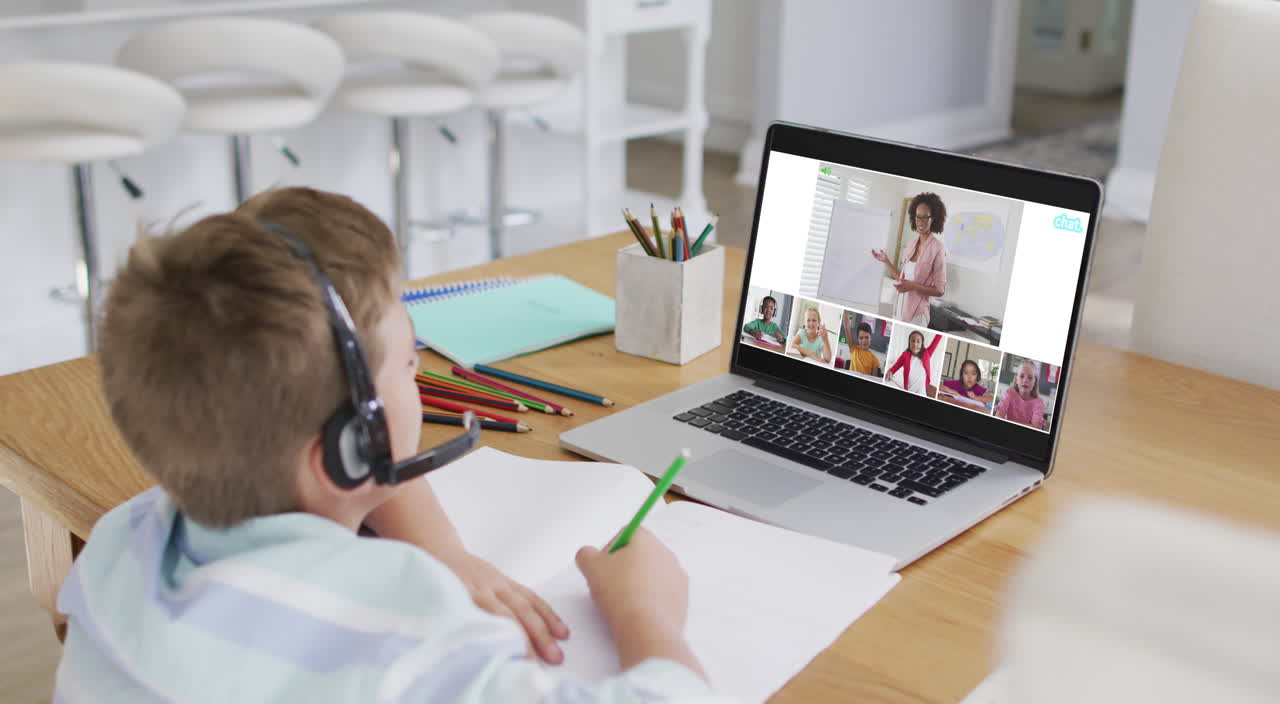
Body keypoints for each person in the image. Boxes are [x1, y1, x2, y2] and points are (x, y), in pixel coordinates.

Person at [55, 188, 710, 702]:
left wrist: (445, 549)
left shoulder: (123, 544)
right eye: (407, 364)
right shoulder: (403, 630)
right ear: (347, 448)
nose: (420, 369)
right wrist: (644, 610)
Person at [871, 192, 949, 326]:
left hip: (917, 315)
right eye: (918, 217)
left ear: (933, 218)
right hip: (898, 309)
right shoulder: (911, 244)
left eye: (925, 218)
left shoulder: (938, 248)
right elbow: (902, 280)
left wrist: (912, 286)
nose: (921, 222)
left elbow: (940, 290)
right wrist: (886, 261)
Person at [886, 330, 942, 396]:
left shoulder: (927, 354)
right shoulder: (905, 355)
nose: (915, 344)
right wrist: (890, 372)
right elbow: (894, 368)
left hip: (922, 393)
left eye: (918, 341)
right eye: (913, 341)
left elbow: (937, 339)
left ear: (922, 344)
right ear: (909, 343)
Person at [995, 359, 1047, 429]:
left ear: (1034, 382)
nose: (1025, 380)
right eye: (1022, 376)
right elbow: (998, 415)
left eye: (1030, 378)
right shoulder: (1010, 393)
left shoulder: (1038, 403)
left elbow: (1036, 427)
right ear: (1016, 379)